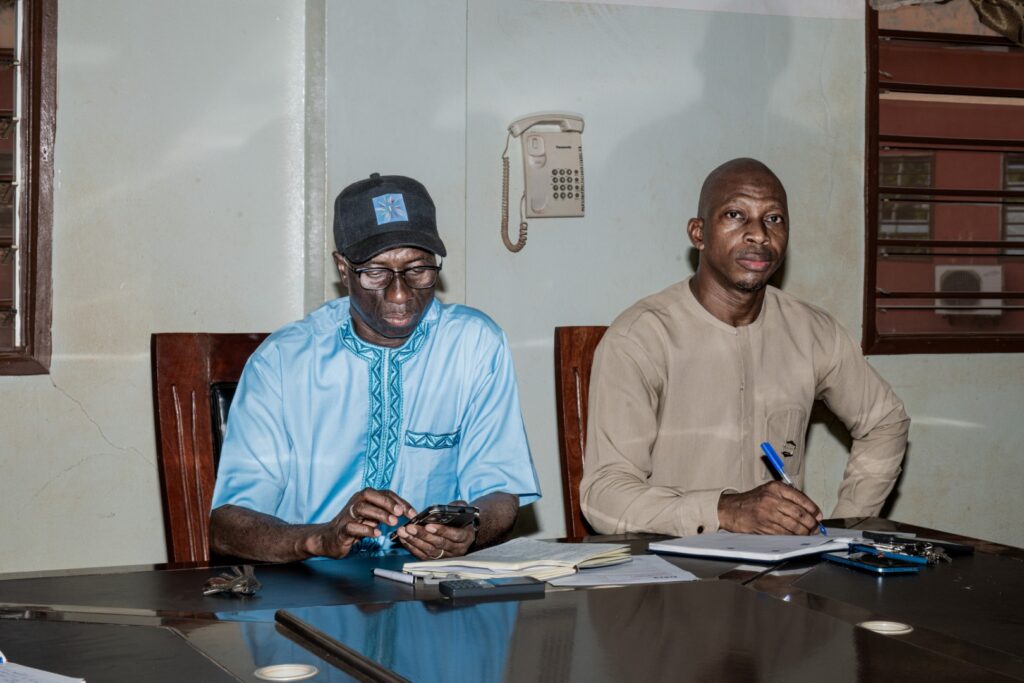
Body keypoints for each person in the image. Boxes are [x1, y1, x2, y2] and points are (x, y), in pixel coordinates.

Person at [210, 173, 540, 562]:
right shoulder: (283, 360)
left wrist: (471, 529)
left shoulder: (473, 345)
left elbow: (501, 490)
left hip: (429, 583)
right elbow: (228, 526)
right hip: (311, 581)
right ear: (342, 268)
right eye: (376, 272)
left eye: (418, 269)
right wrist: (319, 538)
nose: (400, 293)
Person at [580, 158, 909, 537]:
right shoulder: (641, 337)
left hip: (782, 565)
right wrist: (723, 510)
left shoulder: (812, 332)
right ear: (699, 233)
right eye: (735, 215)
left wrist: (845, 530)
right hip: (672, 565)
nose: (759, 234)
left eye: (774, 219)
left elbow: (885, 422)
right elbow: (604, 497)